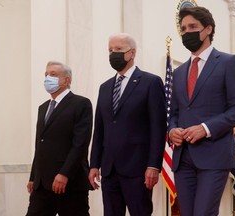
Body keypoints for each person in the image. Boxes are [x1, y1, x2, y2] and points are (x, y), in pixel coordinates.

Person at [168, 6, 235, 216]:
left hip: (214, 155)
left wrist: (205, 128)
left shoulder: (229, 63)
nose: (187, 32)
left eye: (193, 27)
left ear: (207, 30)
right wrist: (172, 130)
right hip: (182, 157)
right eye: (184, 28)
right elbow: (174, 113)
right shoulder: (177, 73)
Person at [88, 33, 167, 216]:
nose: (113, 53)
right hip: (109, 169)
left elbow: (158, 127)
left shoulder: (151, 82)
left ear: (132, 53)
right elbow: (99, 129)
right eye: (110, 50)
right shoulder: (105, 87)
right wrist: (94, 164)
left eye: (118, 49)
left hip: (138, 169)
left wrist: (154, 166)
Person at [26, 61, 93, 216]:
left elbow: (80, 144)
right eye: (46, 74)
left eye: (53, 74)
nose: (48, 78)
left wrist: (65, 174)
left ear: (67, 80)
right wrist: (33, 177)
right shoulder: (43, 108)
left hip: (70, 184)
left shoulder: (80, 104)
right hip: (42, 185)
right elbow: (40, 145)